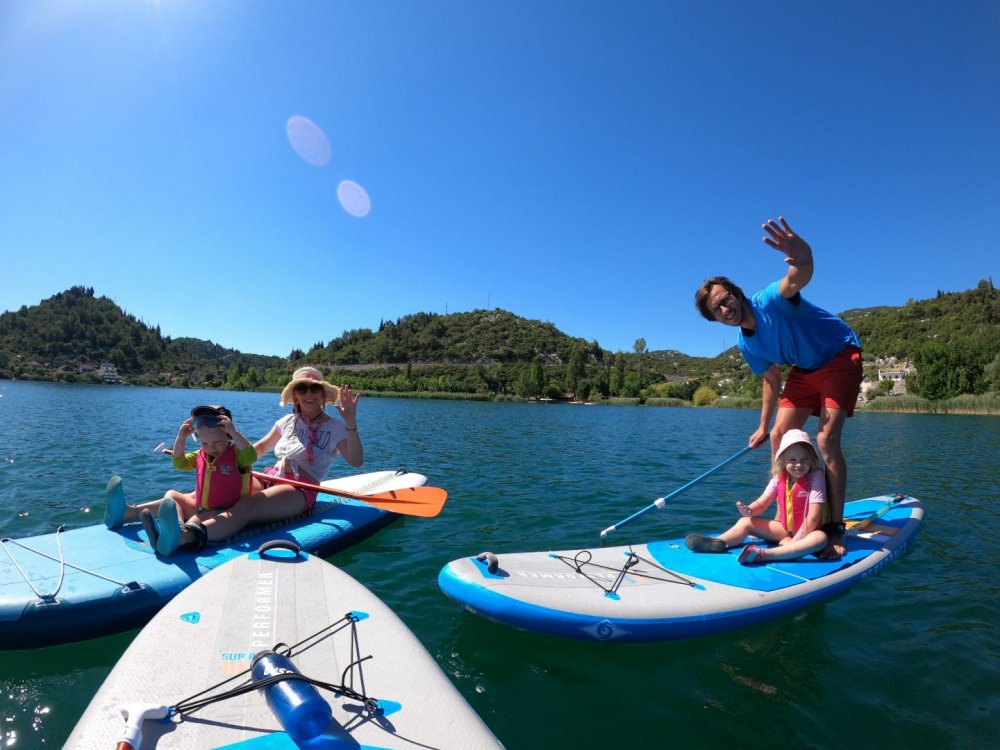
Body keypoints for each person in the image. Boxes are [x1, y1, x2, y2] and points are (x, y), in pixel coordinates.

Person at [694, 216, 862, 559]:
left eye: (725, 299)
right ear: (715, 319)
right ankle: (785, 516)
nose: (725, 308)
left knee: (826, 439)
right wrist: (761, 425)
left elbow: (797, 276)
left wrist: (803, 255)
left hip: (840, 355)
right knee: (777, 437)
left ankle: (833, 526)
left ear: (736, 293)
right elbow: (771, 381)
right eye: (717, 309)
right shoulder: (747, 344)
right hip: (806, 369)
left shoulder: (770, 300)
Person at [147, 367, 363, 556]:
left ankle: (185, 537)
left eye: (314, 389)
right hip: (270, 478)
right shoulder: (286, 421)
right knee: (218, 491)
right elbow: (258, 449)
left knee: (245, 507)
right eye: (302, 389)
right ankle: (136, 513)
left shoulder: (336, 427)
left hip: (299, 490)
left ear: (323, 394)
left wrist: (351, 423)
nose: (308, 394)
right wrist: (228, 461)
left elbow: (355, 461)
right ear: (295, 395)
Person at [104, 405, 258, 538]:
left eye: (217, 442)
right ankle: (172, 525)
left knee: (195, 521)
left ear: (228, 435)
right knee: (171, 495)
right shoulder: (200, 455)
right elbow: (179, 463)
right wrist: (181, 438)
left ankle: (181, 532)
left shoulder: (238, 456)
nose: (211, 447)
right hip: (201, 508)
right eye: (205, 443)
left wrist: (234, 430)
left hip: (226, 513)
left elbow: (252, 455)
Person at [685, 429, 828, 564]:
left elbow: (814, 517)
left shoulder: (816, 476)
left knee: (820, 538)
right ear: (783, 461)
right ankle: (718, 542)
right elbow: (762, 503)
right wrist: (750, 510)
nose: (798, 464)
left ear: (811, 459)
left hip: (808, 532)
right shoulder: (779, 479)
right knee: (745, 521)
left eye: (804, 459)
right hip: (784, 530)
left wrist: (795, 541)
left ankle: (764, 554)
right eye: (792, 460)